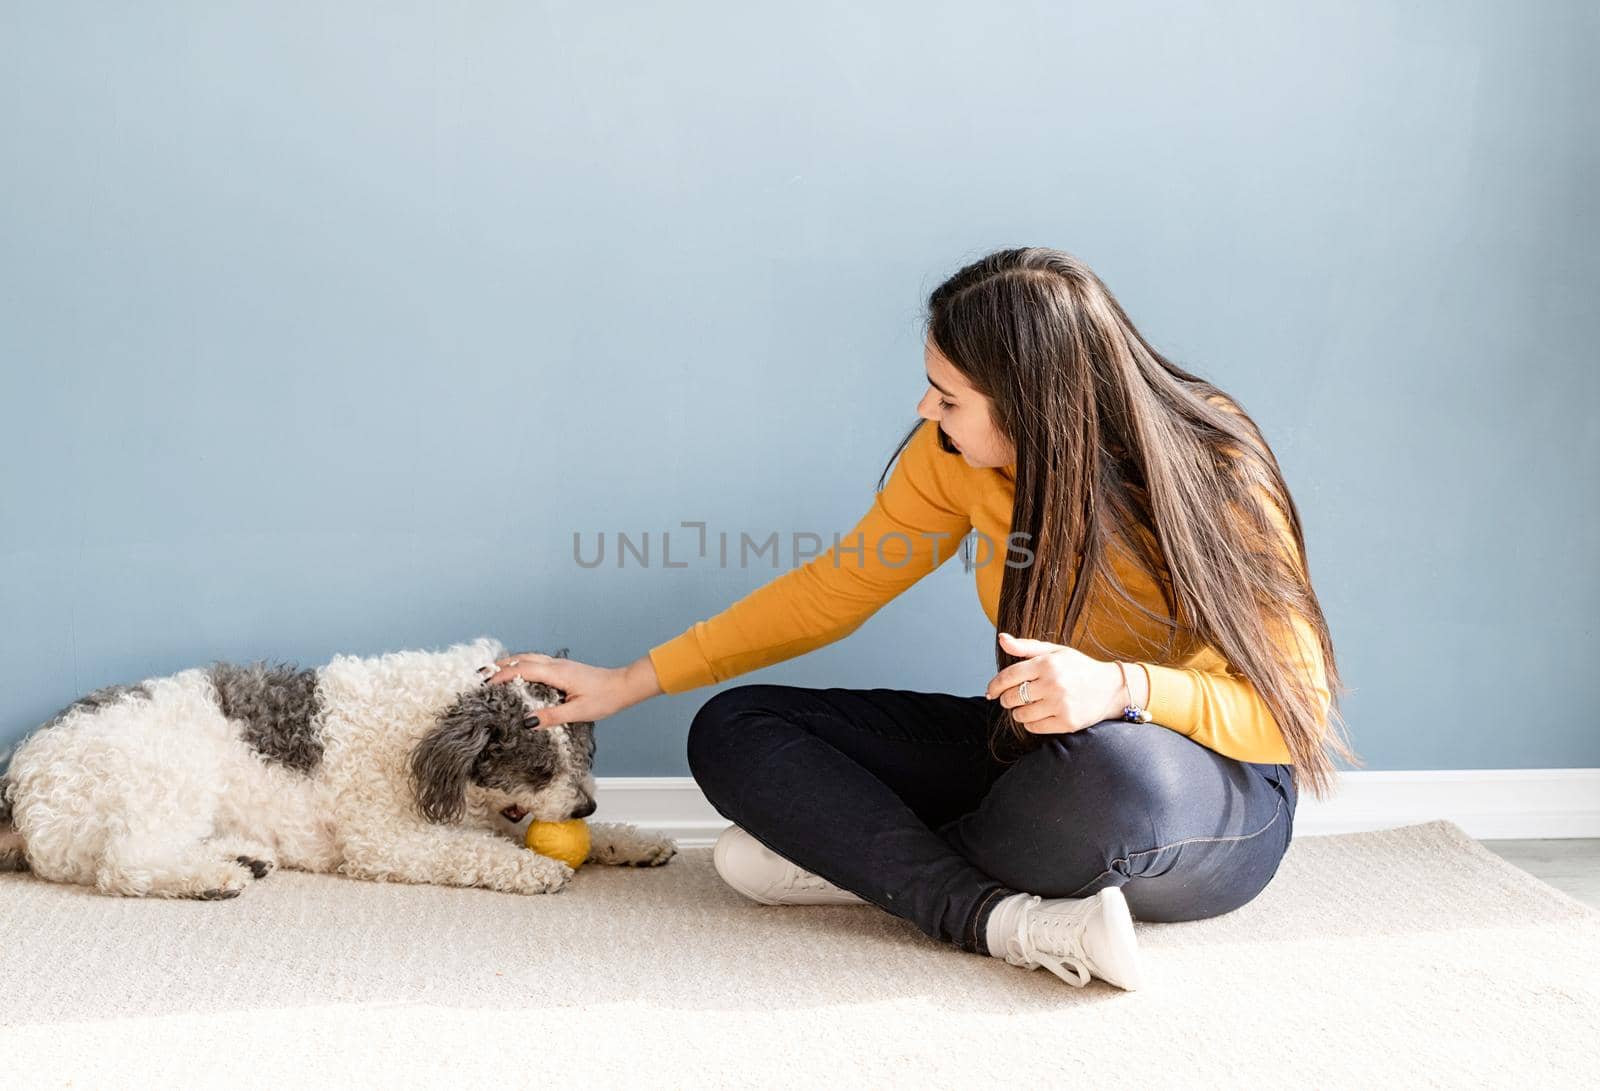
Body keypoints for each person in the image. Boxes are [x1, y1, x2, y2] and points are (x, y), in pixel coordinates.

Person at [481, 246, 1360, 991]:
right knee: (734, 728)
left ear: (1031, 408)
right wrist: (630, 680)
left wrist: (1120, 687)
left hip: (1201, 791)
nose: (924, 411)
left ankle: (869, 865)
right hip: (1032, 750)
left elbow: (1290, 714)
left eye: (948, 396)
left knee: (1105, 780)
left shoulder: (1213, 463)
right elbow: (835, 590)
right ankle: (999, 919)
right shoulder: (951, 460)